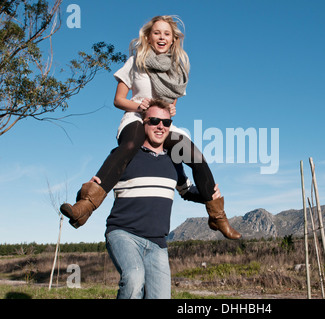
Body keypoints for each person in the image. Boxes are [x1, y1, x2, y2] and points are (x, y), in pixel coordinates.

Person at [59, 15, 241, 240]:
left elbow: (172, 105)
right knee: (130, 144)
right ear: (149, 36)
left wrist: (171, 110)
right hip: (137, 117)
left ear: (173, 39)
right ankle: (86, 205)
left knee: (195, 156)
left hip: (161, 123)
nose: (162, 37)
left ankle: (217, 216)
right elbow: (118, 100)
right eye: (157, 33)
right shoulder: (135, 62)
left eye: (167, 34)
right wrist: (139, 105)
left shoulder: (177, 70)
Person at [106, 100, 220, 299]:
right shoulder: (124, 155)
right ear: (143, 123)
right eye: (155, 121)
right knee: (134, 278)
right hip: (124, 234)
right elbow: (99, 183)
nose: (160, 126)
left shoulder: (173, 162)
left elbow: (186, 191)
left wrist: (209, 196)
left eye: (166, 123)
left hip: (157, 243)